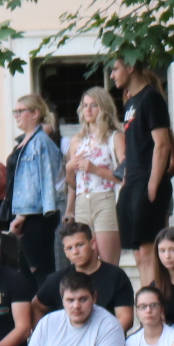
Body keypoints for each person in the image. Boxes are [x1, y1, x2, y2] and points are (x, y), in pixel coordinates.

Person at [111, 58, 174, 291]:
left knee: (151, 253)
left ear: (130, 67)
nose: (112, 75)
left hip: (146, 185)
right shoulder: (130, 103)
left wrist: (152, 185)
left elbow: (162, 145)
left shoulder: (152, 98)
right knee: (139, 254)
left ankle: (158, 307)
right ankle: (147, 306)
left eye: (115, 69)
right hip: (131, 186)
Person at [0, 94, 64, 282]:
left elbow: (40, 182)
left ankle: (50, 311)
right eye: (15, 111)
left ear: (35, 113)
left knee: (39, 273)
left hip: (34, 217)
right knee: (24, 275)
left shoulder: (40, 142)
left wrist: (21, 217)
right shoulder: (24, 141)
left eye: (21, 111)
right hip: (22, 213)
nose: (16, 115)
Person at [34, 221, 136, 328]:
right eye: (69, 248)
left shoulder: (116, 275)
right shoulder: (56, 279)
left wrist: (105, 338)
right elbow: (36, 306)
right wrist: (44, 336)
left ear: (92, 244)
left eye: (80, 245)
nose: (75, 252)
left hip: (104, 339)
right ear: (65, 252)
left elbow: (125, 318)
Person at [66, 87, 124, 267]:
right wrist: (69, 168)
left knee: (107, 262)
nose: (88, 110)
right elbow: (72, 183)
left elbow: (124, 175)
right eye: (85, 106)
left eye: (94, 105)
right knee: (83, 261)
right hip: (82, 201)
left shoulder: (115, 137)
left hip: (106, 199)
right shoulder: (76, 140)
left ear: (104, 108)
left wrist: (95, 169)